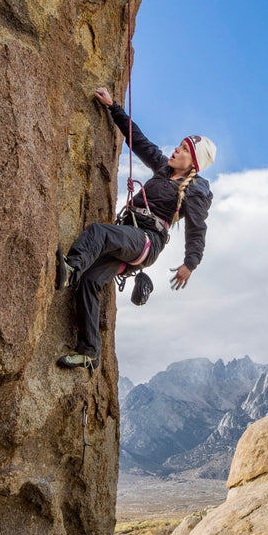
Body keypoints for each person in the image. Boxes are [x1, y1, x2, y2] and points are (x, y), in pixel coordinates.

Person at [54, 87, 215, 372]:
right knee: (91, 280)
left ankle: (69, 270)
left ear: (193, 161)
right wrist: (113, 106)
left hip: (146, 242)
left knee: (98, 233)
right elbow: (138, 140)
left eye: (182, 149)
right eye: (178, 146)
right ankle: (90, 352)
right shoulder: (163, 168)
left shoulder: (195, 191)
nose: (175, 150)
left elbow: (197, 230)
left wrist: (190, 263)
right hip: (132, 236)